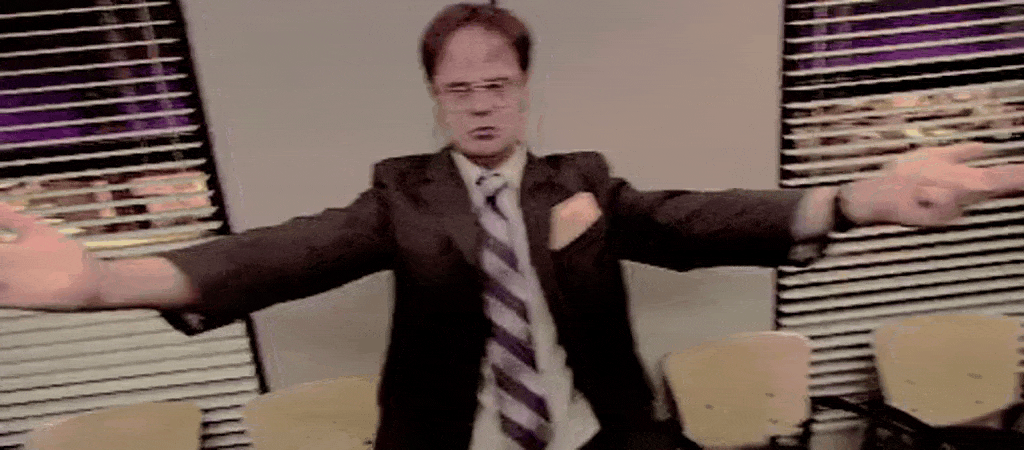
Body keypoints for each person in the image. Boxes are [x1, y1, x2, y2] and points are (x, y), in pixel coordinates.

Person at [0, 3, 1021, 450]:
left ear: (525, 88)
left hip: (595, 435)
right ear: (434, 98)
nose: (481, 105)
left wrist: (855, 198)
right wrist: (102, 284)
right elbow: (276, 256)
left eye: (498, 85)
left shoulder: (584, 183)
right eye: (460, 90)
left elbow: (693, 220)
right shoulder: (399, 196)